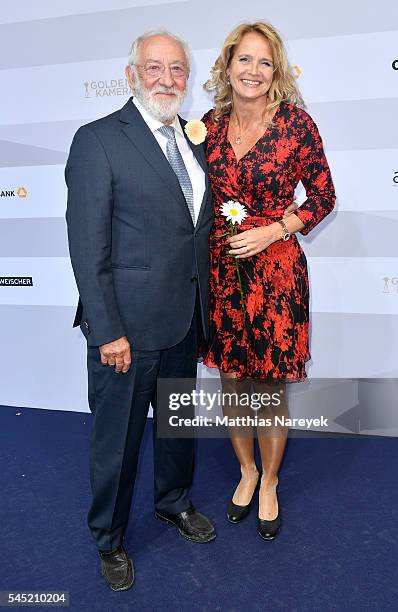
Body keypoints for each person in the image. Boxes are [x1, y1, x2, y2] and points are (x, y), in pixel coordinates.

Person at [65, 30, 215, 592]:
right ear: (131, 75)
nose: (167, 79)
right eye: (155, 68)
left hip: (183, 321)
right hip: (125, 331)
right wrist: (107, 331)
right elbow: (87, 246)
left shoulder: (194, 142)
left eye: (177, 69)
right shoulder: (98, 140)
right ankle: (109, 538)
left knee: (177, 427)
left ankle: (173, 502)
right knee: (118, 440)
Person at [201, 21, 336, 540]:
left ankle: (271, 481)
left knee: (268, 384)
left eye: (263, 61)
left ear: (275, 70)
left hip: (276, 273)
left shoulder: (297, 126)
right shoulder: (207, 127)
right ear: (227, 65)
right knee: (233, 378)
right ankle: (246, 471)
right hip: (222, 272)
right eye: (244, 60)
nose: (252, 71)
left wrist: (273, 231)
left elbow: (322, 199)